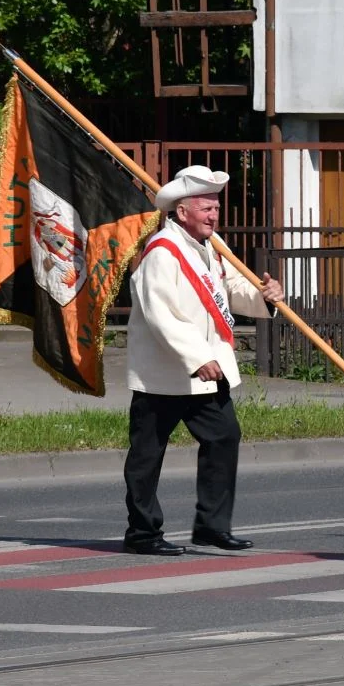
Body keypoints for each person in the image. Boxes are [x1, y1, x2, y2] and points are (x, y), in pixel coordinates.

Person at [123, 166, 283, 556]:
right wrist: (196, 357)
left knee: (224, 437)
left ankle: (212, 526)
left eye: (215, 208)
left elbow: (228, 291)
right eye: (206, 208)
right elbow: (161, 314)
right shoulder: (162, 251)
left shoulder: (211, 246)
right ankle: (142, 533)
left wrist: (265, 296)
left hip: (206, 374)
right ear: (182, 212)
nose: (213, 215)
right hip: (163, 374)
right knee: (147, 455)